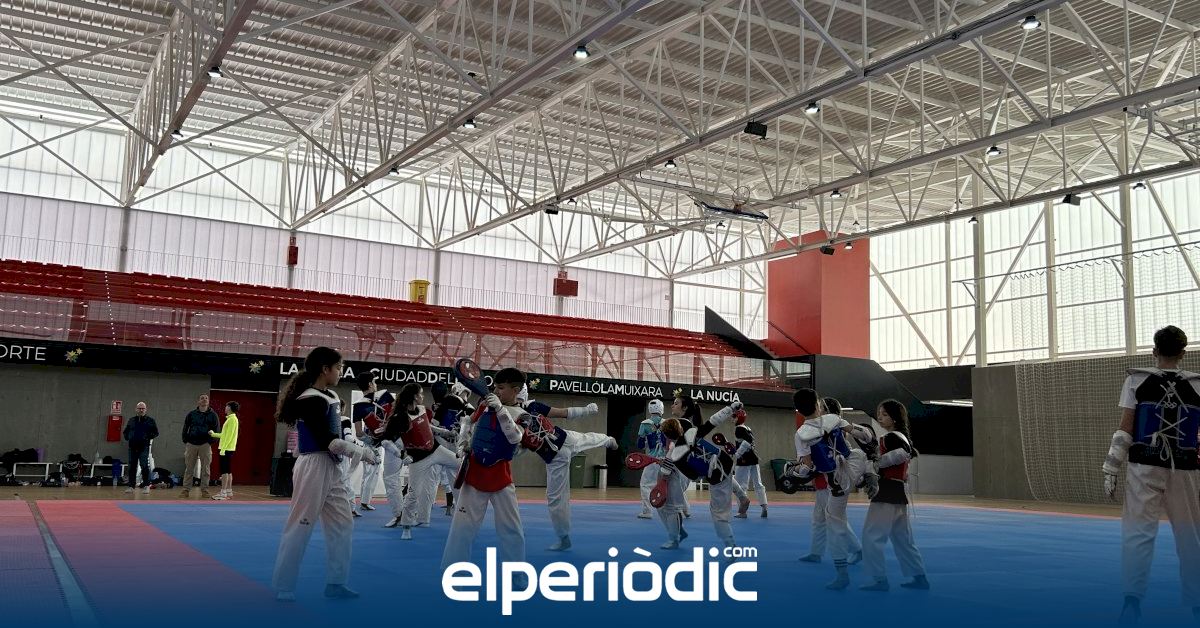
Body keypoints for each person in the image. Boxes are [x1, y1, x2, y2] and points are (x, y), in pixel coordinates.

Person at [1103, 325, 1200, 624]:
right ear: (1183, 353)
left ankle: (1132, 601)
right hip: (1185, 468)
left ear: (1154, 351)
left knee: (1137, 533)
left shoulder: (1136, 380)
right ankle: (1197, 603)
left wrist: (1111, 467)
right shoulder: (1198, 385)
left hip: (1144, 465)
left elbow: (1126, 428)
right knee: (1191, 537)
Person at [271, 347, 377, 601]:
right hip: (314, 465)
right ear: (324, 369)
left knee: (343, 523)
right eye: (338, 368)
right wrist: (362, 452)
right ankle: (284, 585)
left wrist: (356, 449)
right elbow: (328, 441)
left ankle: (336, 582)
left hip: (333, 465)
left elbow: (336, 437)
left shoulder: (330, 396)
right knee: (301, 524)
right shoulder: (310, 399)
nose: (341, 372)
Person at [441, 367, 526, 573]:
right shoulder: (484, 406)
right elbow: (467, 422)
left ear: (516, 390)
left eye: (501, 388)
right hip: (474, 474)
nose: (496, 391)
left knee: (512, 530)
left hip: (502, 478)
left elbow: (515, 437)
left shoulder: (523, 415)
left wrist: (501, 410)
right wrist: (463, 442)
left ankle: (517, 576)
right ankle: (454, 574)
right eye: (495, 387)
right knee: (461, 529)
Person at [515, 384, 613, 551]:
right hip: (555, 458)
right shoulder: (509, 417)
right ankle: (563, 537)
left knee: (587, 439)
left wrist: (586, 410)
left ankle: (608, 440)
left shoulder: (533, 406)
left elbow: (563, 412)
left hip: (564, 438)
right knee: (555, 498)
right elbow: (518, 446)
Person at [793, 394, 861, 589]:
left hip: (832, 480)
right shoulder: (818, 428)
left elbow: (838, 455)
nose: (821, 409)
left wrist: (801, 469)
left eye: (823, 406)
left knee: (834, 520)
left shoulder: (832, 429)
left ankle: (856, 549)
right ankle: (816, 551)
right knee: (819, 517)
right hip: (823, 480)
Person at [860, 399, 929, 592]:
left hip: (886, 492)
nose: (880, 418)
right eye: (879, 414)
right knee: (902, 539)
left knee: (871, 536)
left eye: (884, 414)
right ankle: (919, 576)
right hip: (898, 493)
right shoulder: (901, 438)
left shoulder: (891, 438)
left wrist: (876, 463)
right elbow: (905, 455)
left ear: (895, 418)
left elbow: (901, 454)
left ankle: (879, 579)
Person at [658, 399, 744, 554]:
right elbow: (713, 421)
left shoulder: (676, 456)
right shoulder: (692, 432)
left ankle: (730, 544)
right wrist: (731, 408)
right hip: (725, 461)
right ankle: (730, 542)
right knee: (720, 513)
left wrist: (670, 464)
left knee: (718, 514)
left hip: (716, 477)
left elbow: (694, 476)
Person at [392, 383, 461, 540]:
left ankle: (464, 508)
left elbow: (429, 427)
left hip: (436, 450)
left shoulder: (422, 409)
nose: (423, 396)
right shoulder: (400, 417)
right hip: (418, 460)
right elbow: (391, 441)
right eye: (421, 394)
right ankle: (406, 526)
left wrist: (446, 432)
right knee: (413, 493)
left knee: (462, 463)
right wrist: (402, 455)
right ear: (414, 396)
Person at [352, 372, 391, 513]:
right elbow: (359, 432)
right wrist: (374, 443)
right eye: (374, 382)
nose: (376, 384)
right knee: (372, 471)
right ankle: (364, 502)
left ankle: (365, 501)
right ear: (370, 384)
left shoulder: (358, 405)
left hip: (371, 441)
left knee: (369, 472)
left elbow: (359, 433)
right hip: (376, 442)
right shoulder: (384, 397)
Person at [180, 394, 219, 499]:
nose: (204, 400)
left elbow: (216, 429)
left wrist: (210, 442)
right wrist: (186, 440)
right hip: (191, 444)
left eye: (206, 398)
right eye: (202, 398)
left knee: (205, 469)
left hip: (205, 444)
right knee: (189, 468)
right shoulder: (191, 414)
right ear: (198, 401)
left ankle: (205, 490)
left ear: (208, 401)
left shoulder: (213, 415)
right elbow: (185, 427)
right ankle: (185, 490)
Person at [732, 407, 768, 518]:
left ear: (739, 418)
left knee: (740, 486)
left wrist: (738, 453)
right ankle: (764, 506)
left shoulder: (739, 428)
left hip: (744, 460)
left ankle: (742, 511)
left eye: (734, 417)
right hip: (754, 459)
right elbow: (749, 441)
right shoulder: (748, 428)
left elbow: (747, 442)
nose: (732, 419)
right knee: (758, 484)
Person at [636, 399, 669, 519]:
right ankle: (684, 510)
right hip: (667, 460)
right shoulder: (668, 423)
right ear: (662, 409)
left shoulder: (645, 424)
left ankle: (647, 511)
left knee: (645, 484)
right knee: (672, 485)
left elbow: (640, 445)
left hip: (652, 460)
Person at [123, 402, 158, 494]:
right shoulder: (131, 420)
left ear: (146, 410)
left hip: (144, 447)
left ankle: (146, 486)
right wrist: (129, 437)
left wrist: (146, 437)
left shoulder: (150, 421)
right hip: (132, 447)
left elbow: (156, 432)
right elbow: (126, 431)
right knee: (132, 466)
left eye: (143, 408)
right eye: (139, 408)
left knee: (144, 466)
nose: (141, 410)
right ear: (136, 409)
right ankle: (131, 486)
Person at [208, 401, 240, 500]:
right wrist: (213, 434)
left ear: (229, 408)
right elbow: (224, 435)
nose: (225, 408)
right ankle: (229, 491)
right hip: (228, 448)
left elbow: (229, 436)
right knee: (228, 471)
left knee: (224, 471)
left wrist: (223, 449)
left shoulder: (232, 420)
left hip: (226, 449)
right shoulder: (231, 419)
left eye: (226, 406)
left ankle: (223, 492)